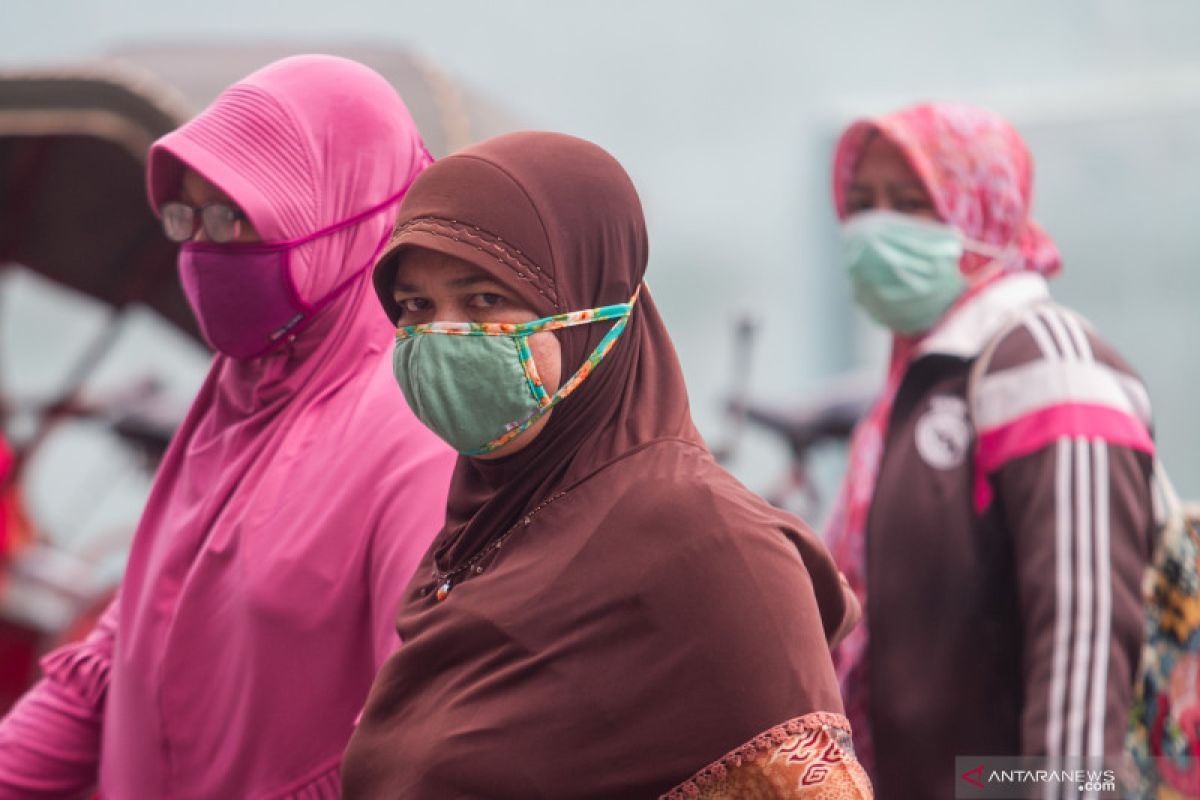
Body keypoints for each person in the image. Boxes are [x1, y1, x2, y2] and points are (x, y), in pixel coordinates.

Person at [338, 131, 873, 799]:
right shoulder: (477, 535)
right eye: (417, 308)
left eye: (485, 302)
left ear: (598, 313)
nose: (446, 336)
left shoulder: (710, 547)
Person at [0, 55, 455, 798]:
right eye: (189, 216)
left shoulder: (418, 434)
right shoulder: (238, 394)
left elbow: (421, 743)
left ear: (349, 212)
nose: (205, 250)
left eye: (237, 217)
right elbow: (128, 648)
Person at [823, 102, 1156, 797]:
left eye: (911, 203)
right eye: (862, 203)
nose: (876, 228)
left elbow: (1083, 649)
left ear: (985, 206)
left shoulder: (1049, 366)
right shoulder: (916, 384)